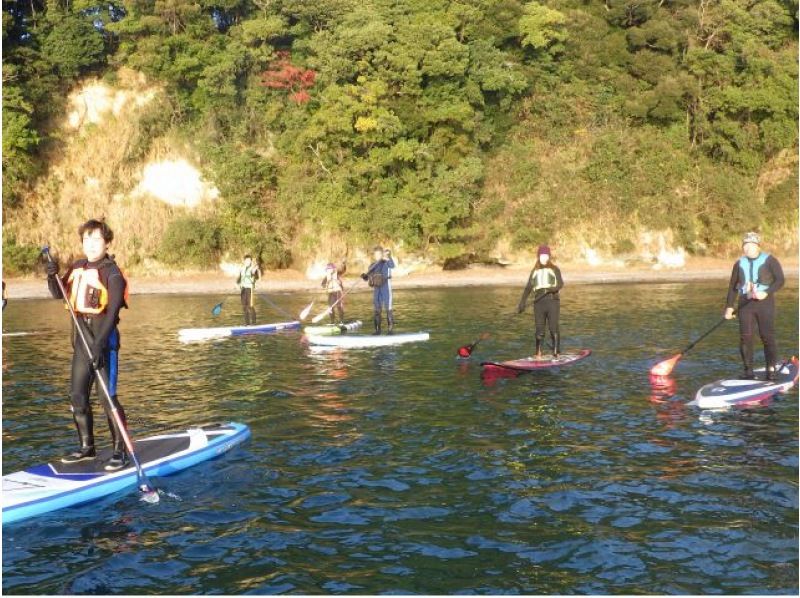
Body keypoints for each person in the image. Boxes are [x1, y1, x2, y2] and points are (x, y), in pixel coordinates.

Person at [46, 219, 130, 470]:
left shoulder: (111, 272)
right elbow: (58, 292)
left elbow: (113, 310)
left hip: (103, 340)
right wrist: (51, 275)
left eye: (97, 240)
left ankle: (120, 450)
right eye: (86, 239)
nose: (91, 245)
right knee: (78, 397)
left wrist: (99, 346)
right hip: (81, 339)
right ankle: (87, 448)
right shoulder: (78, 267)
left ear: (106, 243)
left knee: (107, 398)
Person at [724, 232, 784, 380]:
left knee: (766, 336)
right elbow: (733, 286)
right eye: (745, 245)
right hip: (745, 304)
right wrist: (729, 307)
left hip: (765, 303)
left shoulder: (770, 260)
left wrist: (766, 292)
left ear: (757, 246)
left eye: (751, 245)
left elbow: (780, 280)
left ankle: (771, 370)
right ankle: (748, 372)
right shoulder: (739, 263)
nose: (747, 248)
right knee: (745, 337)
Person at [517, 244, 564, 357]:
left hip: (552, 301)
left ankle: (555, 352)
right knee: (539, 330)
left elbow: (560, 284)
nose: (544, 258)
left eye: (546, 255)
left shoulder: (554, 269)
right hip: (538, 303)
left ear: (549, 256)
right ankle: (538, 353)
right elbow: (528, 287)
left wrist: (553, 289)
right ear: (538, 256)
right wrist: (522, 302)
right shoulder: (534, 271)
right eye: (542, 255)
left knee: (553, 328)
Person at [361, 246, 395, 334]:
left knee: (388, 309)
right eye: (375, 255)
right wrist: (364, 276)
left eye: (379, 254)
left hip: (386, 288)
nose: (377, 256)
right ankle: (377, 331)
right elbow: (368, 277)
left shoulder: (386, 262)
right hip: (377, 290)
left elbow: (392, 265)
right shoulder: (372, 266)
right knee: (377, 310)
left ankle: (390, 331)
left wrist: (389, 256)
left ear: (381, 254)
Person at [237, 255, 260, 325]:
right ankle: (247, 324)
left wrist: (255, 271)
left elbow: (256, 277)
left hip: (250, 289)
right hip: (243, 289)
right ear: (244, 261)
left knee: (250, 306)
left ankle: (254, 323)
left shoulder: (253, 269)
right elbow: (239, 279)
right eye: (247, 260)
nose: (248, 262)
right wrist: (237, 284)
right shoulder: (242, 268)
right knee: (244, 307)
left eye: (250, 261)